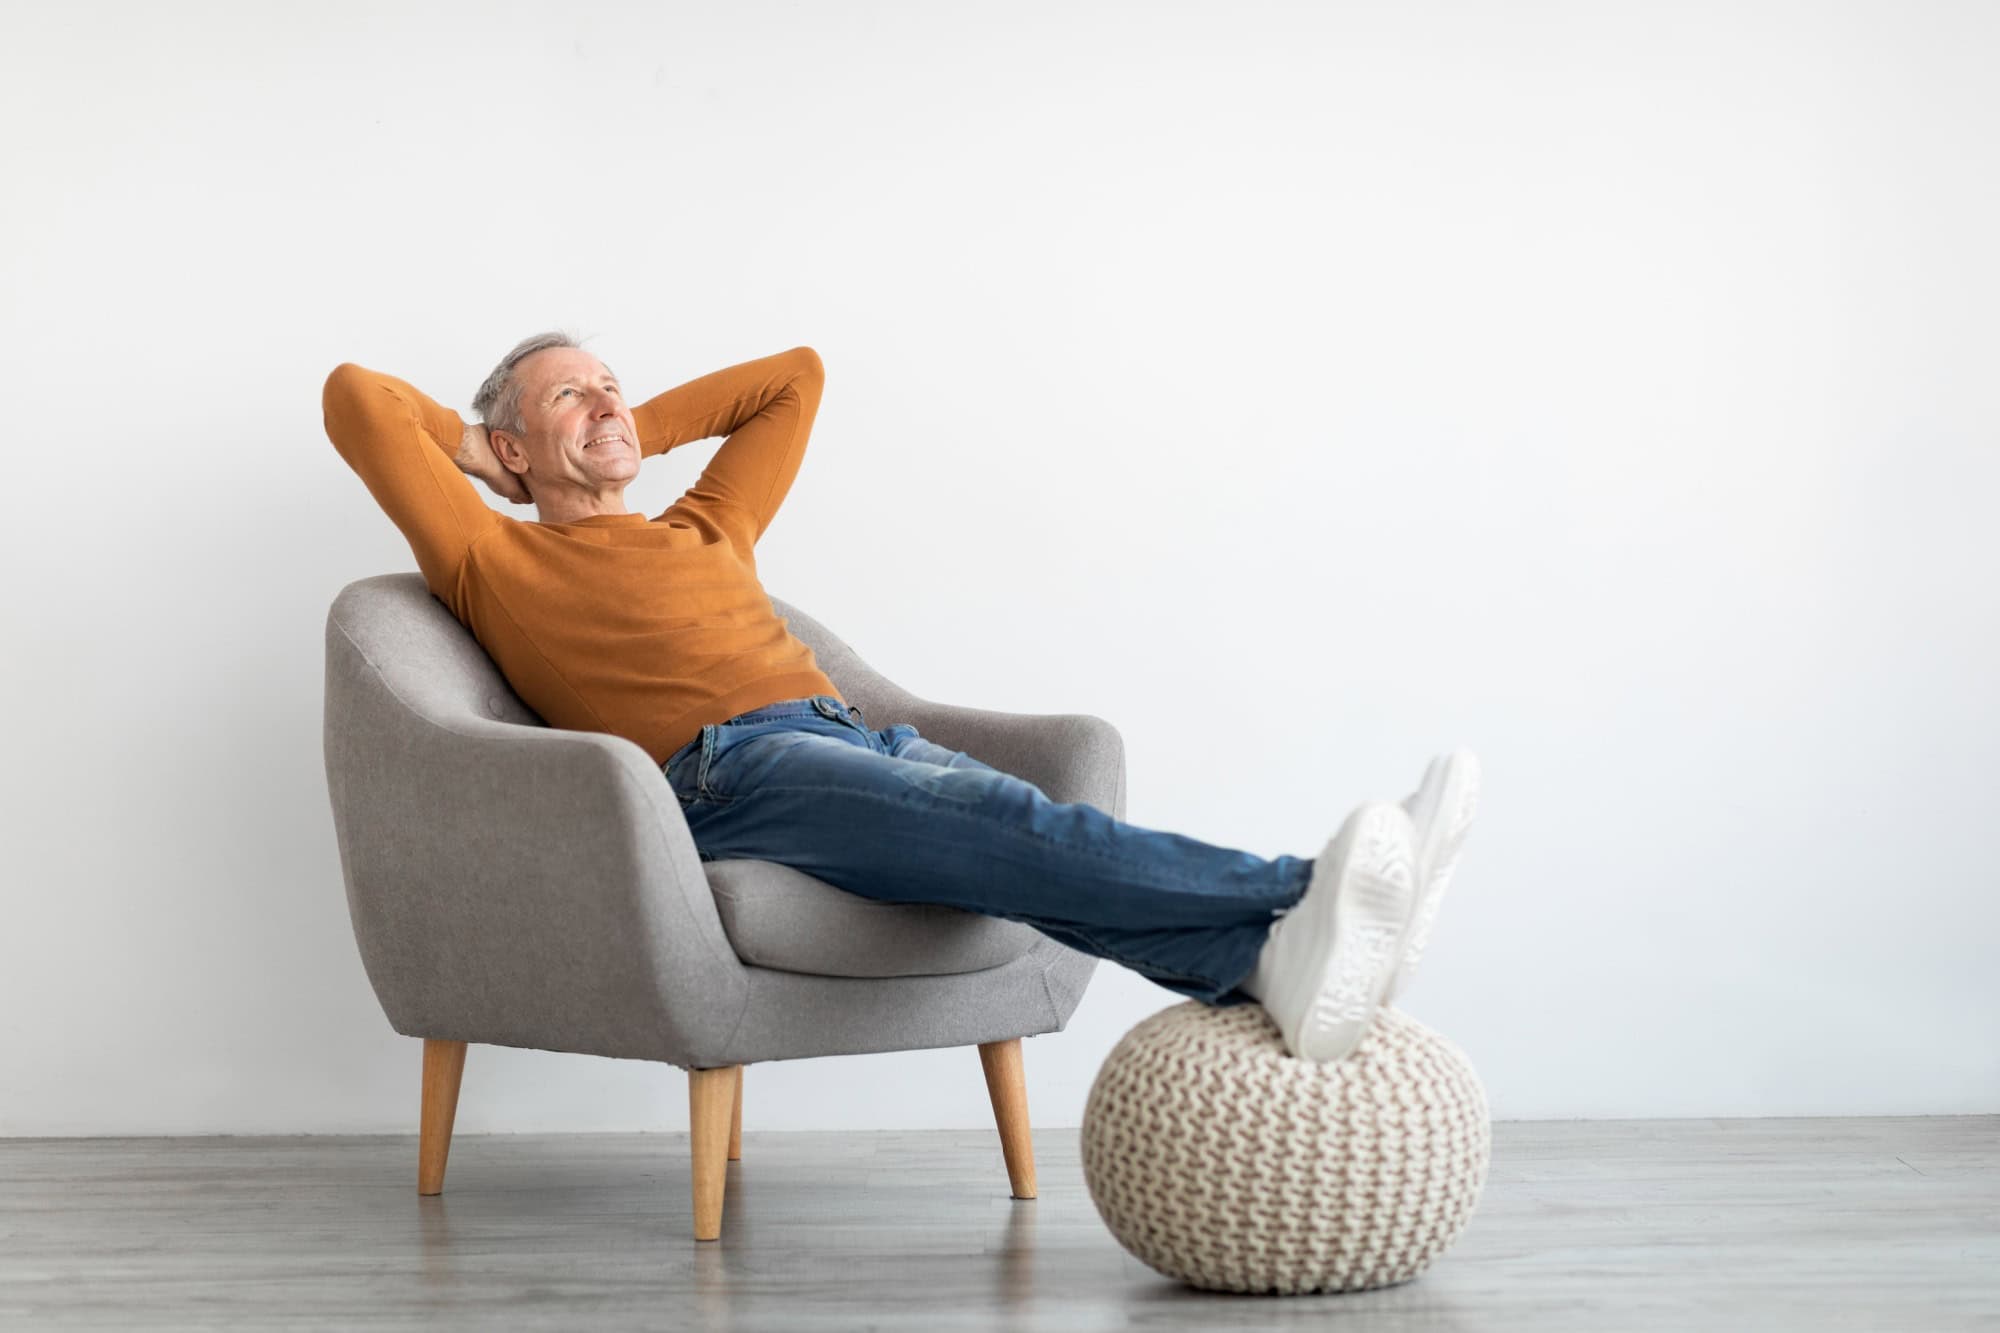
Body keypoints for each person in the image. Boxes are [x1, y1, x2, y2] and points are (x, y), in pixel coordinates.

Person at [320, 332, 1482, 1064]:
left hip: (853, 737)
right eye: (570, 396)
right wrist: (481, 448)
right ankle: (1303, 893)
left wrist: (622, 424)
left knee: (1022, 843)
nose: (607, 401)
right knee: (1018, 826)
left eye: (612, 383)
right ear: (511, 452)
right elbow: (356, 395)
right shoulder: (490, 558)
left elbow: (793, 378)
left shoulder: (704, 526)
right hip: (728, 772)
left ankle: (1258, 965)